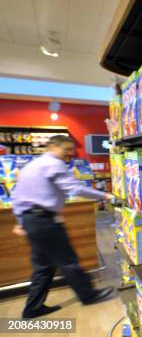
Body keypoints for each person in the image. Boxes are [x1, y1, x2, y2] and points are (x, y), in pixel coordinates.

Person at [11, 135, 116, 319]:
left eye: (71, 150)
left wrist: (22, 222)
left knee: (43, 266)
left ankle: (32, 309)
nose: (69, 154)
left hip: (32, 221)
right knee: (68, 260)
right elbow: (75, 188)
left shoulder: (31, 166)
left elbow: (17, 196)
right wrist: (104, 196)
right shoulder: (54, 164)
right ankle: (89, 295)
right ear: (52, 146)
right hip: (44, 221)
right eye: (66, 149)